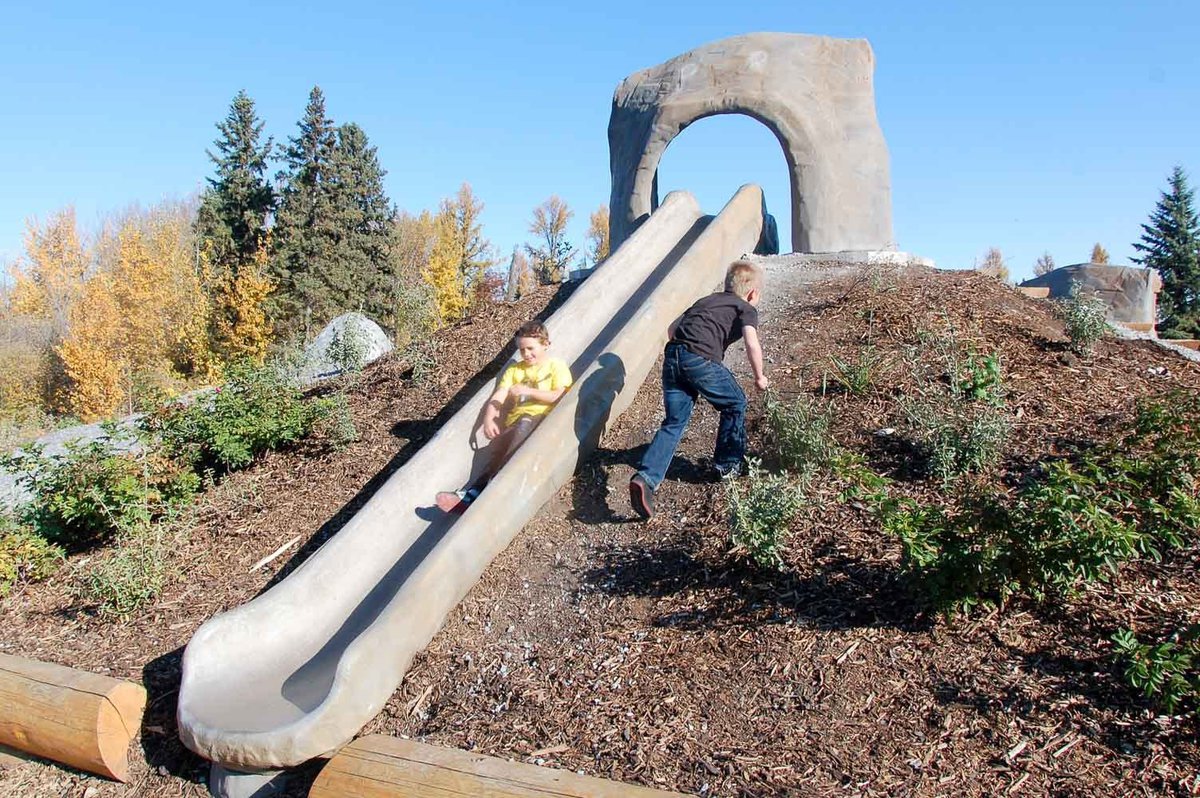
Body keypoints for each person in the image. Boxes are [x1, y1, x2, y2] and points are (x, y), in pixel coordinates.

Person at [629, 260, 769, 520]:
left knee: (674, 422)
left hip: (673, 356)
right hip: (698, 358)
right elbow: (752, 343)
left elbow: (672, 330)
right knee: (735, 402)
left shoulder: (705, 300)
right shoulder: (745, 307)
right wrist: (759, 376)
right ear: (753, 293)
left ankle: (645, 479)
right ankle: (727, 466)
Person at [436, 320, 572, 513]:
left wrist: (528, 391)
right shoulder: (515, 370)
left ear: (546, 345)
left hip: (541, 418)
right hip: (515, 422)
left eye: (530, 348)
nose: (526, 354)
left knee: (523, 426)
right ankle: (472, 492)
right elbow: (499, 395)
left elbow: (558, 395)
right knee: (498, 447)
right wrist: (488, 418)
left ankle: (493, 487)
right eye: (521, 350)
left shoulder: (555, 366)